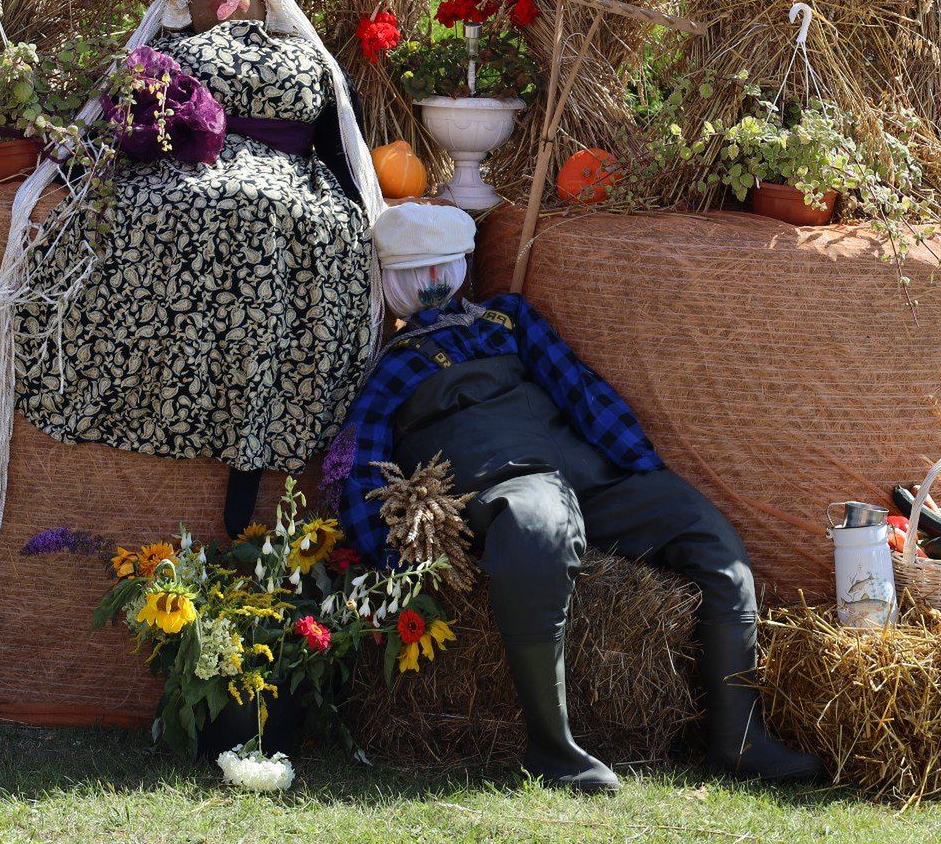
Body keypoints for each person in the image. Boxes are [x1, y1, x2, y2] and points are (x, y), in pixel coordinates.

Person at [338, 204, 823, 793]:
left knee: (703, 530)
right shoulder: (390, 365)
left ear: (464, 268)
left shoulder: (507, 319)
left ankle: (741, 739)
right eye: (418, 273)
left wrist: (645, 475)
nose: (433, 285)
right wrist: (393, 560)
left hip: (587, 475)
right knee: (537, 526)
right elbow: (355, 466)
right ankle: (553, 749)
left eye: (442, 268)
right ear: (390, 285)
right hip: (508, 483)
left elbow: (582, 390)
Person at [0, 0, 385, 536]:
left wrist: (369, 204)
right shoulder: (167, 49)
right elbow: (118, 122)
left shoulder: (305, 57)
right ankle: (200, 427)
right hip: (189, 187)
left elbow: (338, 132)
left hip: (293, 196)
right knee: (174, 232)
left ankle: (252, 455)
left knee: (293, 246)